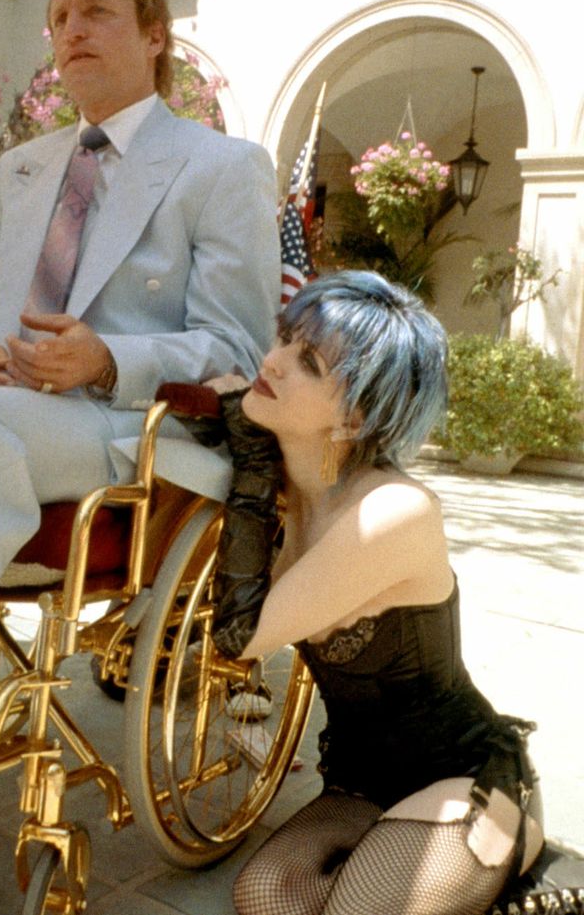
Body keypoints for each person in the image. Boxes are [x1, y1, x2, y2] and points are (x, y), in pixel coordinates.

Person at [0, 0, 280, 911]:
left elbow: (238, 348)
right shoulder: (22, 170)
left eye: (94, 11)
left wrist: (108, 356)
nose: (69, 30)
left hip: (127, 431)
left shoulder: (222, 166)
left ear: (154, 33)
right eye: (56, 18)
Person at [215, 270, 544, 915]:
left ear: (355, 416)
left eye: (308, 362)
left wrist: (250, 459)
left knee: (353, 910)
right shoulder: (297, 487)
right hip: (360, 783)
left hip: (463, 778)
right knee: (263, 897)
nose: (273, 362)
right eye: (284, 337)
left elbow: (240, 636)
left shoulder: (394, 511)